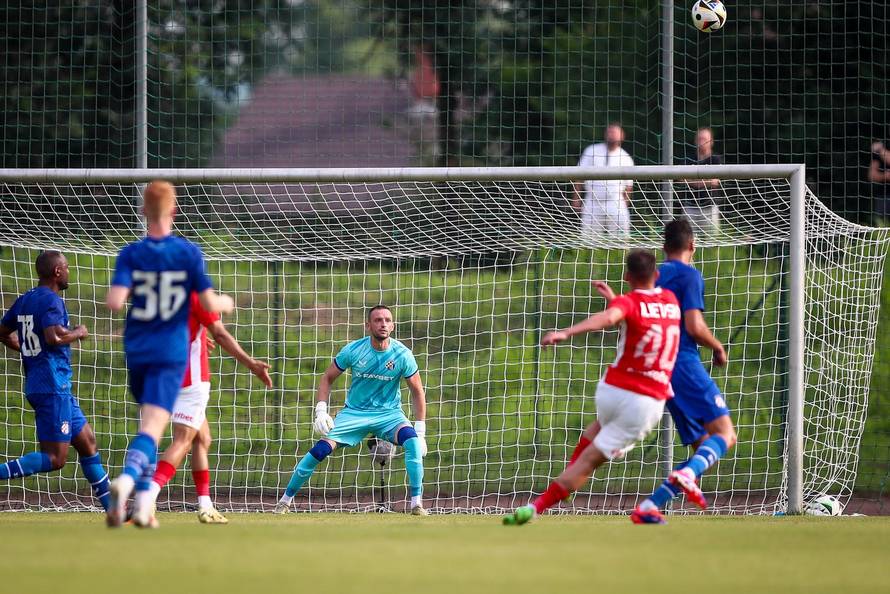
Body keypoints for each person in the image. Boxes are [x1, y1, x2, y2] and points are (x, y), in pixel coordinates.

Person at [502, 249, 681, 525]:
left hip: (611, 391)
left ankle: (568, 481)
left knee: (596, 429)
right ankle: (538, 506)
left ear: (627, 276)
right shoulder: (671, 300)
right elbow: (637, 317)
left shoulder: (628, 302)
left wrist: (567, 332)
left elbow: (613, 318)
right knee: (587, 464)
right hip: (645, 400)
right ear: (656, 275)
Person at [105, 180, 234, 529]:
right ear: (174, 210)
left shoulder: (131, 253)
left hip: (136, 350)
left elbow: (115, 302)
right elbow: (209, 305)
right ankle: (129, 481)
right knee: (152, 431)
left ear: (143, 211)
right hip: (170, 353)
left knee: (154, 426)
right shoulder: (188, 253)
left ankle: (145, 506)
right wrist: (225, 302)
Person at [630, 219, 736, 524]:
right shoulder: (690, 275)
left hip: (656, 366)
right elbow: (694, 326)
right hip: (684, 363)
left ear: (664, 248)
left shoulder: (655, 275)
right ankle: (683, 476)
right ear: (692, 245)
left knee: (703, 446)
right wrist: (717, 346)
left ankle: (651, 505)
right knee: (726, 435)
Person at [275, 305, 429, 515]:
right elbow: (327, 378)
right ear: (368, 325)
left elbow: (418, 392)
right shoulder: (354, 350)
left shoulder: (403, 354)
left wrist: (420, 432)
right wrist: (321, 411)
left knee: (411, 442)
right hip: (354, 414)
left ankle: (416, 504)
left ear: (392, 326)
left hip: (389, 415)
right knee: (320, 450)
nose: (383, 323)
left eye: (387, 320)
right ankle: (284, 501)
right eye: (377, 320)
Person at [145, 291, 273, 524]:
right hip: (190, 381)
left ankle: (206, 506)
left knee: (202, 439)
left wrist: (198, 338)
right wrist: (251, 364)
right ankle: (147, 497)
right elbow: (221, 334)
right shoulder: (197, 295)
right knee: (183, 440)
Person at [0, 251, 111, 511]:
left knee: (88, 442)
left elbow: (3, 332)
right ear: (57, 272)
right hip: (52, 385)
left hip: (48, 385)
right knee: (55, 458)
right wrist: (78, 333)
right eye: (67, 268)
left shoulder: (26, 299)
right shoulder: (52, 301)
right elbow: (53, 337)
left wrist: (29, 349)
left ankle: (114, 509)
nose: (69, 272)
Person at [573, 123, 635, 237]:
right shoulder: (591, 151)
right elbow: (579, 176)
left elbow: (629, 187)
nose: (611, 135)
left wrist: (624, 205)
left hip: (616, 203)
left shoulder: (626, 157)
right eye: (609, 132)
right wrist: (576, 198)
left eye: (615, 132)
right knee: (588, 240)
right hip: (592, 202)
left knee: (620, 240)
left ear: (622, 136)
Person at [681, 127, 722, 232]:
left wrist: (693, 181)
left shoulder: (716, 159)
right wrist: (705, 181)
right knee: (688, 238)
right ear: (695, 141)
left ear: (711, 141)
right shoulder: (689, 159)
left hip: (709, 207)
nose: (702, 142)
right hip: (690, 206)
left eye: (704, 139)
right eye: (699, 139)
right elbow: (681, 179)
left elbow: (715, 182)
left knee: (711, 242)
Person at [869, 141, 890, 219]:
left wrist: (880, 150)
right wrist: (884, 176)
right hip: (884, 196)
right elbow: (871, 175)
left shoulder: (880, 149)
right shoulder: (885, 145)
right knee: (881, 225)